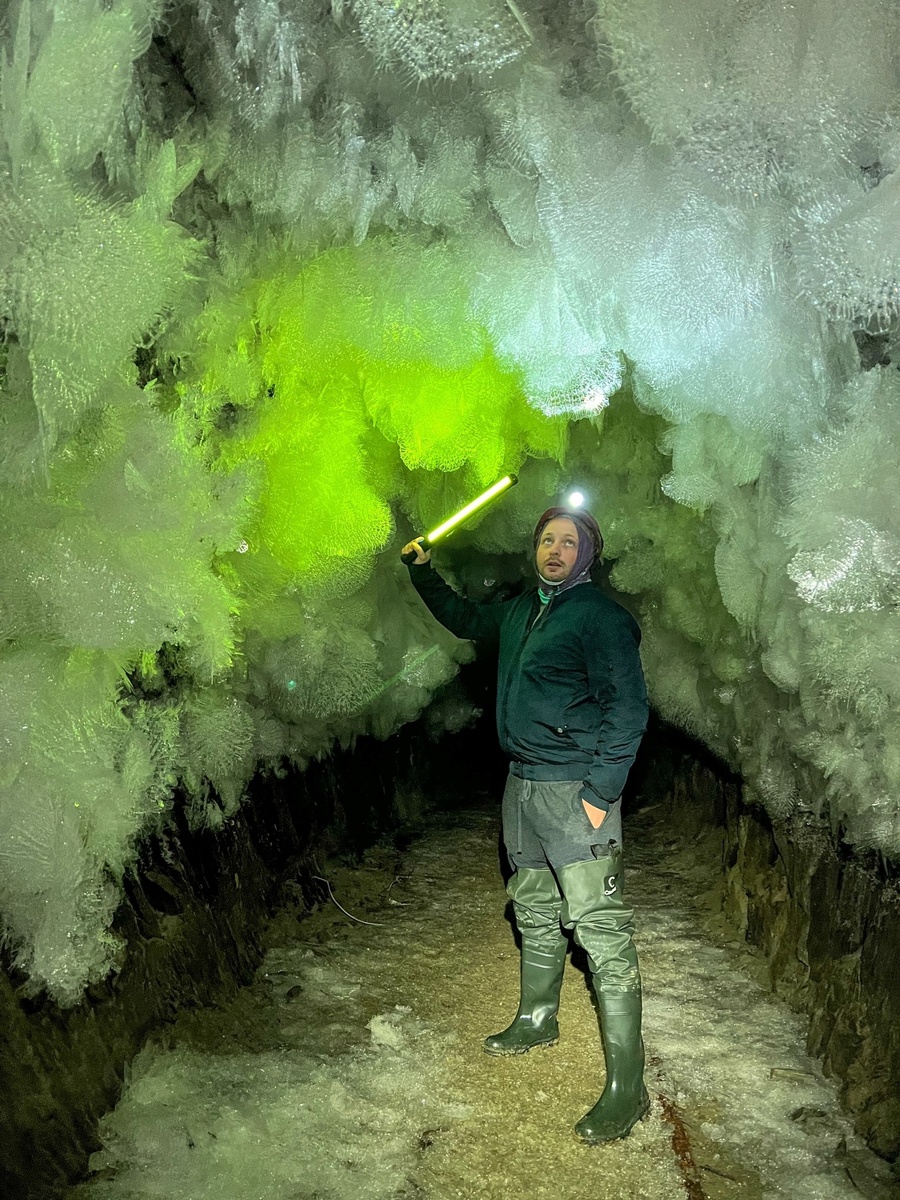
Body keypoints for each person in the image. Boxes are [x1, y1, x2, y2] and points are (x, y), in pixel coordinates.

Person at [401, 506, 650, 1143]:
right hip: (522, 785)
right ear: (534, 548)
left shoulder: (600, 619)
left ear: (588, 554)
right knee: (535, 903)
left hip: (575, 790)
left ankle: (629, 1086)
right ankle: (539, 1016)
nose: (556, 549)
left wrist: (601, 793)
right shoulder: (519, 611)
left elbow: (627, 711)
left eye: (570, 542)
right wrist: (423, 573)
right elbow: (463, 619)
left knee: (600, 928)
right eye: (547, 539)